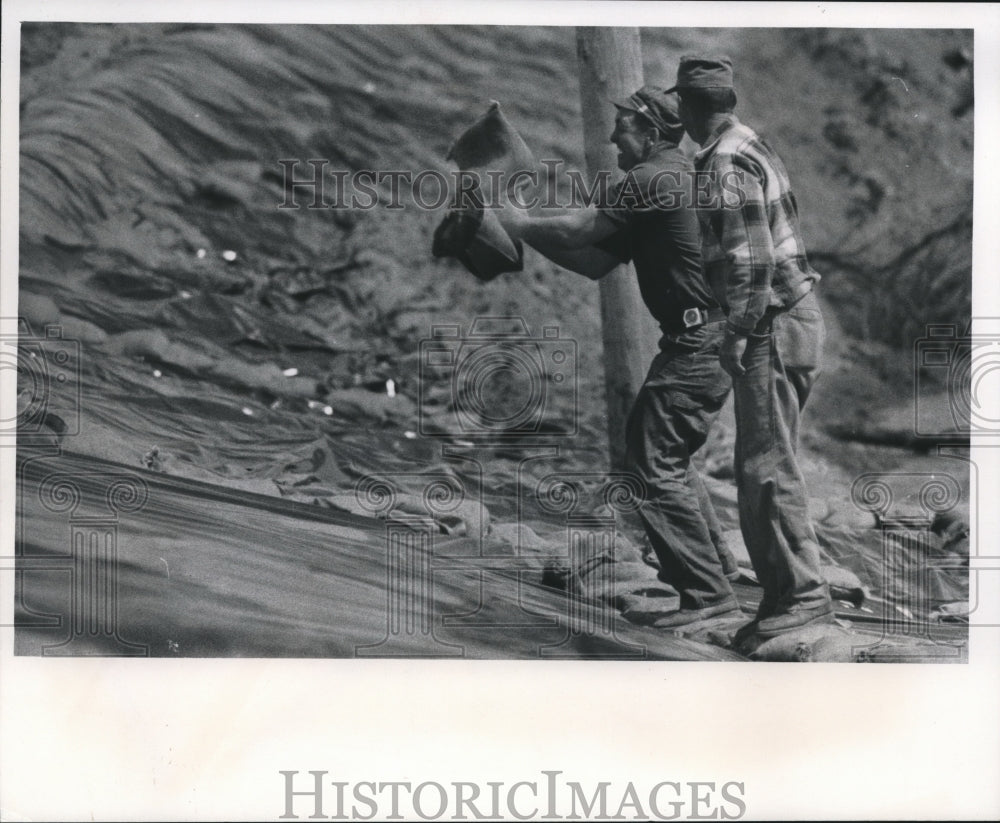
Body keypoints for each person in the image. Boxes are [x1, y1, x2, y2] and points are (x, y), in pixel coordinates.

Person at [499, 86, 741, 628]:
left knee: (652, 466)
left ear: (651, 132)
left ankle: (708, 594)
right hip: (700, 341)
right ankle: (717, 573)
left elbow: (579, 228)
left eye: (623, 126)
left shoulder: (653, 179)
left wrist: (518, 222)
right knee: (664, 459)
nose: (612, 137)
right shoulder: (672, 179)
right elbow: (590, 260)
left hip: (698, 342)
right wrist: (522, 229)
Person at [667, 55, 834, 638]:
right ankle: (785, 599)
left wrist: (737, 332)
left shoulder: (725, 161)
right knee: (766, 461)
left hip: (771, 325)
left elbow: (752, 258)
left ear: (690, 106)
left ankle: (802, 597)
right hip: (790, 320)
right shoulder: (751, 145)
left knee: (766, 467)